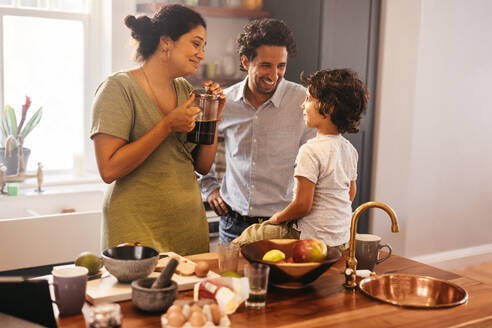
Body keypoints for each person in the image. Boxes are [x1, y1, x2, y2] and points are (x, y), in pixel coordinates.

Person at [90, 4, 225, 255]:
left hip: (188, 227)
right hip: (135, 228)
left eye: (203, 47)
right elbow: (109, 169)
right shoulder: (118, 88)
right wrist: (166, 126)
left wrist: (213, 119)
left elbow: (202, 166)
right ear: (166, 42)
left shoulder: (185, 90)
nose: (201, 54)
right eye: (196, 44)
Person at [198, 18, 315, 242]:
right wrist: (210, 188)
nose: (274, 74)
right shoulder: (225, 101)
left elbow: (318, 158)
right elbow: (198, 149)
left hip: (283, 226)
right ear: (245, 61)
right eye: (265, 65)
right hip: (234, 223)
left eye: (281, 65)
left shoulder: (302, 101)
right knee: (231, 278)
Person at [232, 69, 368, 249]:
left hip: (311, 239)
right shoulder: (349, 150)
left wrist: (277, 218)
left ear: (329, 107)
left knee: (250, 236)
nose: (302, 105)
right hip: (342, 239)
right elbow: (350, 193)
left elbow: (303, 205)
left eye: (309, 99)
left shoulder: (310, 150)